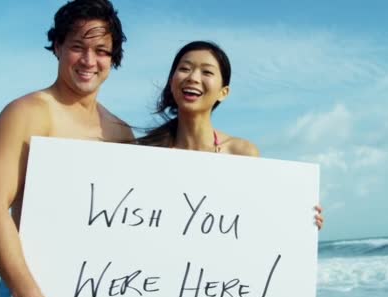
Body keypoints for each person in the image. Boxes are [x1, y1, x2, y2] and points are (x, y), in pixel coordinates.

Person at [0, 1, 132, 297]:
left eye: (101, 50)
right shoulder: (28, 113)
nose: (89, 61)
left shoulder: (120, 132)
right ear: (58, 47)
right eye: (78, 47)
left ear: (113, 57)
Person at [137, 41, 324, 228]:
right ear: (171, 83)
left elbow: (257, 217)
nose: (193, 77)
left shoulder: (241, 153)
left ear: (223, 92)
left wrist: (302, 220)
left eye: (207, 72)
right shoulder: (145, 154)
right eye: (185, 69)